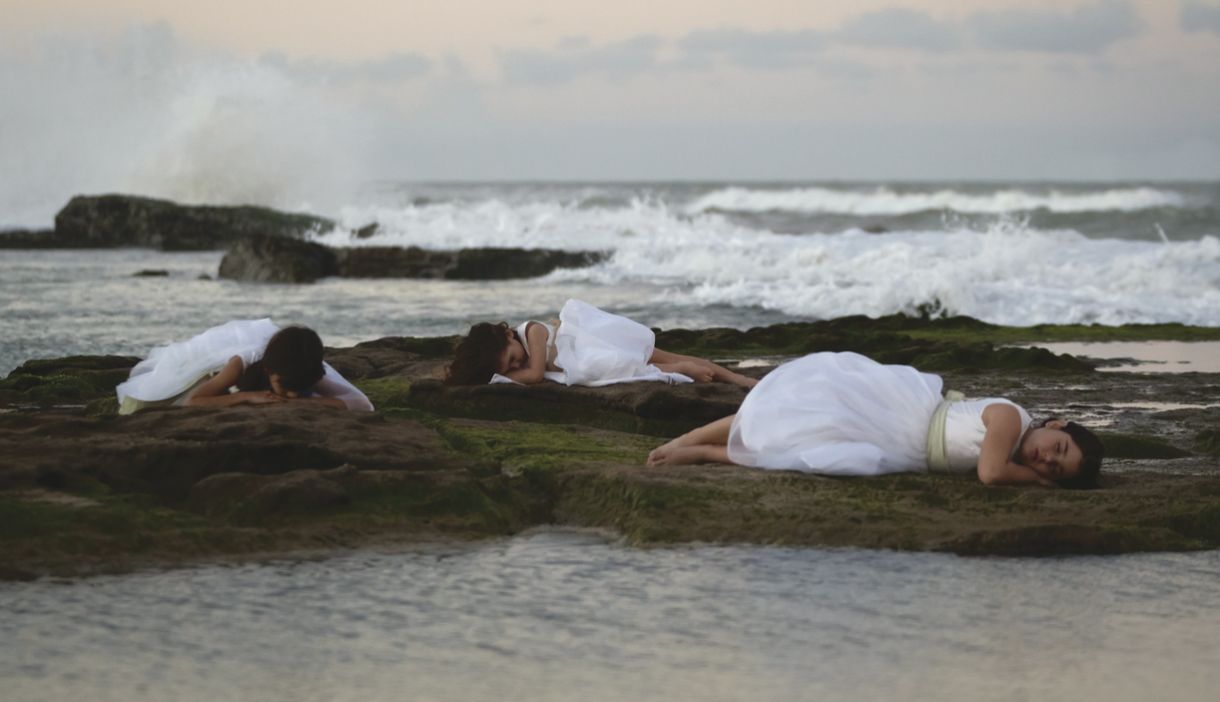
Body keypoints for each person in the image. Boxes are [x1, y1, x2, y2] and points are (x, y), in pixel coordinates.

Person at [647, 351, 1103, 488]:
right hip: (904, 416)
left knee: (805, 454)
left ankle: (704, 453)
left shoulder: (1021, 447)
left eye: (1053, 469)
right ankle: (690, 437)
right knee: (790, 412)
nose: (1045, 460)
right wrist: (1042, 484)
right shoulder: (1010, 418)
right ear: (1057, 424)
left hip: (904, 452)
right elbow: (990, 472)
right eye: (1058, 449)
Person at [445, 298, 758, 389]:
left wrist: (506, 377)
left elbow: (536, 374)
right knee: (643, 365)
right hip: (588, 354)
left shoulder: (532, 332)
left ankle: (735, 377)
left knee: (660, 357)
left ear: (508, 335)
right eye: (510, 368)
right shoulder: (518, 346)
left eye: (512, 359)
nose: (517, 366)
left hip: (592, 343)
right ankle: (684, 369)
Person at [115, 319, 374, 413]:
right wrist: (246, 397)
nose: (292, 394)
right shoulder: (242, 363)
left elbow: (363, 404)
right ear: (269, 371)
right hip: (218, 362)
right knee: (143, 403)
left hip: (284, 358)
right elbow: (193, 402)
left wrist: (301, 402)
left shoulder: (301, 369)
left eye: (299, 389)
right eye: (286, 388)